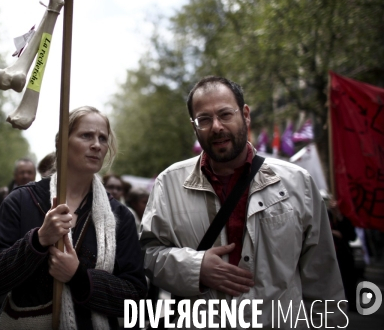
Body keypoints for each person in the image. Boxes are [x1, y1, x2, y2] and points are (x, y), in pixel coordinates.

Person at [140, 76, 346, 326]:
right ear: (194, 126)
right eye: (204, 119)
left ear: (245, 115)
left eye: (225, 114)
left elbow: (322, 277)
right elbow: (148, 254)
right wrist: (195, 268)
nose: (216, 126)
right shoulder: (168, 184)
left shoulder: (297, 182)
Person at [0, 106, 147, 329]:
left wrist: (79, 278)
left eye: (103, 138)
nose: (97, 144)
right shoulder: (21, 200)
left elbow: (135, 297)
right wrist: (38, 241)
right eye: (86, 135)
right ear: (62, 142)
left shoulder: (121, 216)